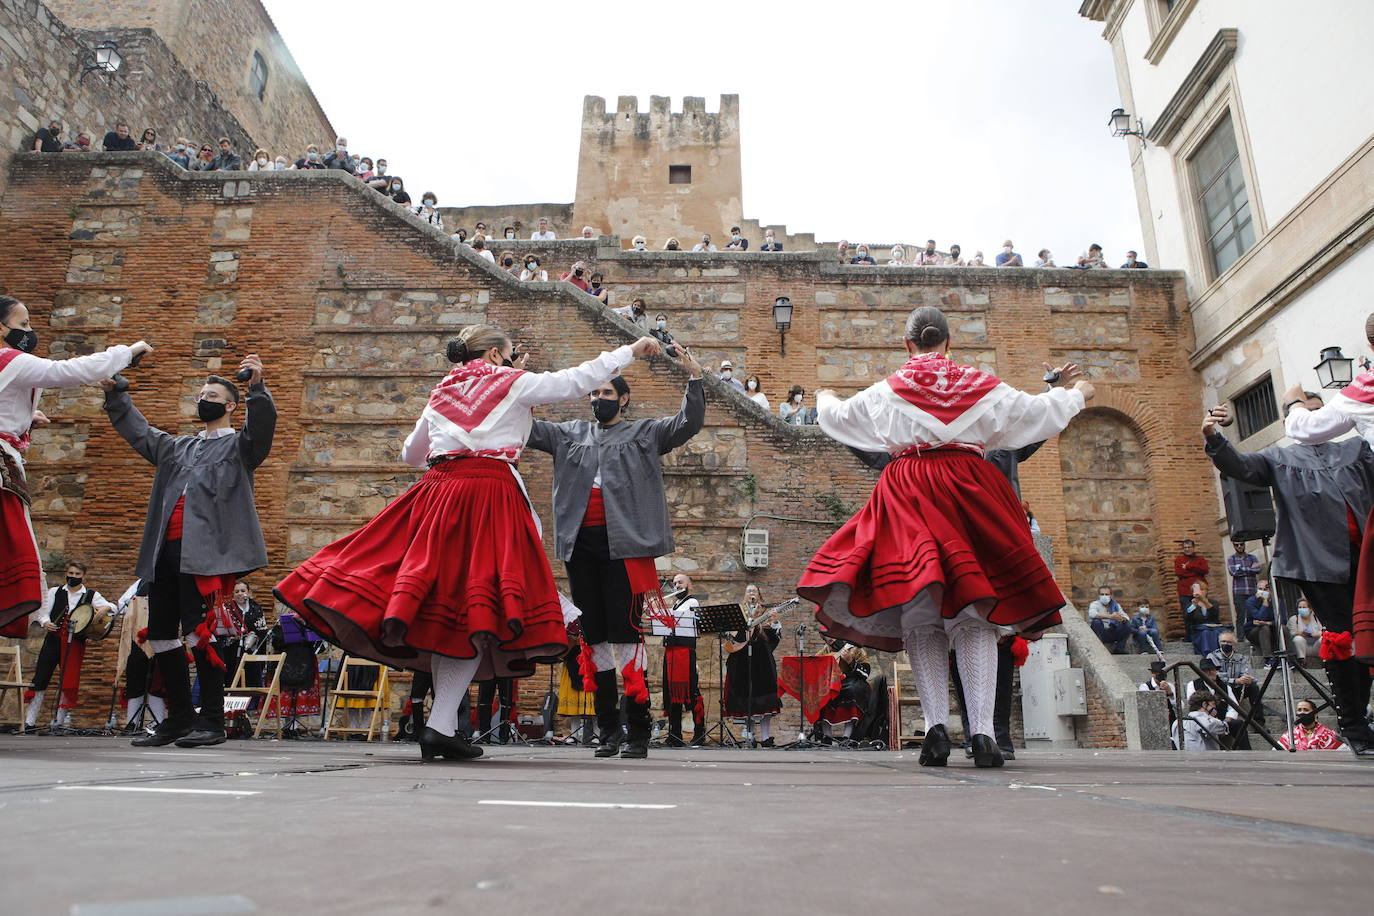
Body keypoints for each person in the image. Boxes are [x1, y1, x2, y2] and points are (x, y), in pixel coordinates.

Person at [277, 325, 666, 763]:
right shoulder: (511, 382)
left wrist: (459, 446)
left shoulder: (443, 389)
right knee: (477, 610)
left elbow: (411, 454)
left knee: (451, 610)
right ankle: (441, 725)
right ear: (497, 354)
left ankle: (440, 727)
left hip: (439, 494)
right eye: (511, 354)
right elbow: (576, 380)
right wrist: (631, 350)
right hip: (488, 496)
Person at [797, 305, 1092, 767]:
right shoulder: (981, 385)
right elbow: (1035, 414)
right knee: (974, 613)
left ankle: (935, 728)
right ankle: (983, 735)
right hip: (970, 492)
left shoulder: (887, 390)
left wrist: (826, 395)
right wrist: (1076, 394)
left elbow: (838, 418)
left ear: (907, 344)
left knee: (921, 612)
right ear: (949, 342)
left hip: (908, 491)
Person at [525, 346, 705, 760]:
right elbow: (526, 428)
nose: (598, 399)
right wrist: (516, 382)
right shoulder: (569, 433)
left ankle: (638, 732)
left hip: (626, 547)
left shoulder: (645, 433)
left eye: (606, 392)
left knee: (626, 634)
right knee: (593, 637)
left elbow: (687, 422)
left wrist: (694, 377)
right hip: (580, 546)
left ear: (623, 398)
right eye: (593, 393)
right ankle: (607, 730)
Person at [101, 354, 275, 750]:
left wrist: (257, 389)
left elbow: (262, 430)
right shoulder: (177, 448)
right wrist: (117, 394)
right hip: (163, 552)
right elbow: (140, 432)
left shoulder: (240, 447)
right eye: (200, 395)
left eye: (211, 395)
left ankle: (212, 720)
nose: (203, 400)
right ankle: (179, 718)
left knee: (200, 632)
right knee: (161, 634)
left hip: (206, 557)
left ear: (230, 406)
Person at [1209, 394, 1374, 754]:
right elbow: (1241, 466)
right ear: (1292, 423)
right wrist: (1214, 437)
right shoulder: (1280, 457)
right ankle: (1354, 724)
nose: (1315, 420)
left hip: (1365, 558)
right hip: (1317, 562)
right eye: (1307, 414)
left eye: (1320, 413)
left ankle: (1361, 719)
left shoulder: (1356, 449)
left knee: (1368, 635)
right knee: (1344, 634)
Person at [0, 296, 149, 638]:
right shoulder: (10, 359)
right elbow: (64, 371)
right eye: (23, 324)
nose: (29, 331)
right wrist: (125, 353)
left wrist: (25, 420)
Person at [23, 562, 115, 729]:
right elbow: (42, 611)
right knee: (41, 677)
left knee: (68, 680)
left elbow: (115, 608)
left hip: (75, 643)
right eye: (71, 573)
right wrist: (45, 622)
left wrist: (106, 607)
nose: (73, 576)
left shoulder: (91, 595)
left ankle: (58, 722)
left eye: (77, 574)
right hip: (53, 640)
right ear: (66, 573)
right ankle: (29, 721)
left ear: (83, 576)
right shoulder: (55, 592)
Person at [724, 593, 782, 746]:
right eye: (748, 591)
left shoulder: (767, 616)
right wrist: (749, 621)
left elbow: (773, 640)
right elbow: (733, 639)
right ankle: (749, 736)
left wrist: (774, 621)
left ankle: (765, 737)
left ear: (759, 598)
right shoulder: (737, 615)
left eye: (754, 591)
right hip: (741, 661)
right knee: (746, 698)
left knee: (765, 698)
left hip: (762, 662)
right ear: (744, 597)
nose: (751, 594)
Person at [661, 573, 705, 747]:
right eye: (674, 583)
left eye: (680, 582)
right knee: (672, 693)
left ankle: (699, 733)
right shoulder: (676, 604)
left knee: (690, 691)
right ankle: (675, 735)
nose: (676, 585)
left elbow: (679, 620)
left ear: (689, 585)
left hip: (684, 654)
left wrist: (663, 611)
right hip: (671, 653)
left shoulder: (692, 602)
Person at [1207, 630, 1261, 743]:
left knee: (1254, 688)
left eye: (1229, 642)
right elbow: (1216, 676)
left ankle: (1259, 722)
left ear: (1234, 644)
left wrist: (1247, 679)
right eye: (1223, 641)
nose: (1226, 644)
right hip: (1221, 689)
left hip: (1237, 688)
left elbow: (1248, 673)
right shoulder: (1212, 656)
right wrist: (1235, 680)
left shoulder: (1241, 657)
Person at [1185, 657, 1244, 748]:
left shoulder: (1225, 687)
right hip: (1204, 721)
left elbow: (1234, 707)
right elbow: (1194, 705)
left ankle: (1246, 750)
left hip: (1223, 720)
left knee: (1239, 724)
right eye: (1206, 670)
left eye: (1212, 669)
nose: (1210, 672)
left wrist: (1226, 720)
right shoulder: (1193, 685)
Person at [229, 581, 270, 687]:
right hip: (233, 651)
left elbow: (263, 631)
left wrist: (255, 638)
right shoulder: (228, 609)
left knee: (252, 680)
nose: (240, 593)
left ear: (249, 592)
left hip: (252, 649)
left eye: (243, 591)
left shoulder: (256, 608)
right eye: (237, 591)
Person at [1278, 699, 1345, 751]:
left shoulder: (1328, 735)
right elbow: (1278, 752)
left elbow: (1344, 752)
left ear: (1315, 714)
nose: (1302, 712)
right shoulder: (1289, 736)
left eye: (1306, 710)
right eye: (1299, 710)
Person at [1184, 581, 1224, 655]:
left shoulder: (1213, 603)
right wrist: (1194, 606)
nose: (1200, 592)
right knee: (1205, 633)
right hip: (1198, 630)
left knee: (1215, 633)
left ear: (1206, 591)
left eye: (1202, 590)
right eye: (1198, 590)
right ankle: (1207, 653)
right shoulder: (1190, 605)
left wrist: (1205, 601)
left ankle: (1217, 654)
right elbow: (1187, 619)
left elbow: (1215, 616)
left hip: (1213, 629)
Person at [1087, 586, 1130, 653]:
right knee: (1096, 622)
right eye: (1102, 594)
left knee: (1127, 624)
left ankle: (1119, 650)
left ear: (1111, 595)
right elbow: (1092, 614)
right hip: (1101, 632)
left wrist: (1121, 619)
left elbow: (1126, 617)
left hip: (1113, 630)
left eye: (1107, 594)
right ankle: (1099, 649)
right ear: (1099, 595)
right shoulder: (1094, 604)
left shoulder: (1116, 605)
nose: (1104, 596)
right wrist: (1110, 616)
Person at [1244, 579, 1279, 659]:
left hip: (1273, 629)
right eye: (1260, 589)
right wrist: (1265, 602)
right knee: (1264, 628)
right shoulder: (1250, 601)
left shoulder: (1277, 601)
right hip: (1254, 631)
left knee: (1283, 628)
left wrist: (1268, 623)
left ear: (1270, 590)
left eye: (1265, 589)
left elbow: (1282, 620)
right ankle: (1268, 658)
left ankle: (1292, 658)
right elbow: (1260, 617)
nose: (1262, 591)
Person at [1227, 540, 1262, 619]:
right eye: (1236, 545)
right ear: (1234, 546)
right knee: (1241, 616)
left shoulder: (1252, 557)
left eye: (1241, 544)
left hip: (1252, 590)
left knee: (1254, 615)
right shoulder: (1231, 558)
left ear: (1244, 544)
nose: (1239, 546)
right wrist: (1250, 569)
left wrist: (1241, 569)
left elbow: (1258, 569)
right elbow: (1233, 572)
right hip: (1239, 592)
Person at [1174, 539, 1210, 616]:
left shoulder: (1200, 560)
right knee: (1188, 614)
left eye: (1189, 547)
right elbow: (1179, 573)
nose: (1187, 549)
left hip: (1200, 591)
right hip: (1185, 591)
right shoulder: (1179, 560)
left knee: (1202, 613)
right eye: (1185, 547)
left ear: (1193, 547)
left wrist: (1188, 567)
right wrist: (1197, 572)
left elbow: (1205, 570)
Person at [1139, 660, 1177, 727]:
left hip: (1170, 720)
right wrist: (1160, 692)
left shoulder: (1170, 686)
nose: (1159, 676)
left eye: (1161, 674)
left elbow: (1181, 707)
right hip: (1154, 722)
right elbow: (1147, 707)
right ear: (1152, 673)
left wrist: (1170, 693)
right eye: (1156, 673)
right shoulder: (1145, 687)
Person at [1289, 597, 1323, 665]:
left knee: (1323, 639)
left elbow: (1322, 631)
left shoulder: (1316, 618)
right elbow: (1292, 633)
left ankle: (1324, 661)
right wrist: (1298, 633)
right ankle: (1302, 661)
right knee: (1298, 639)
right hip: (1302, 648)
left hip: (1316, 647)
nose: (1301, 609)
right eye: (1300, 607)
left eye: (1304, 607)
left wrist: (1313, 634)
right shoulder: (1294, 619)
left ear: (1310, 609)